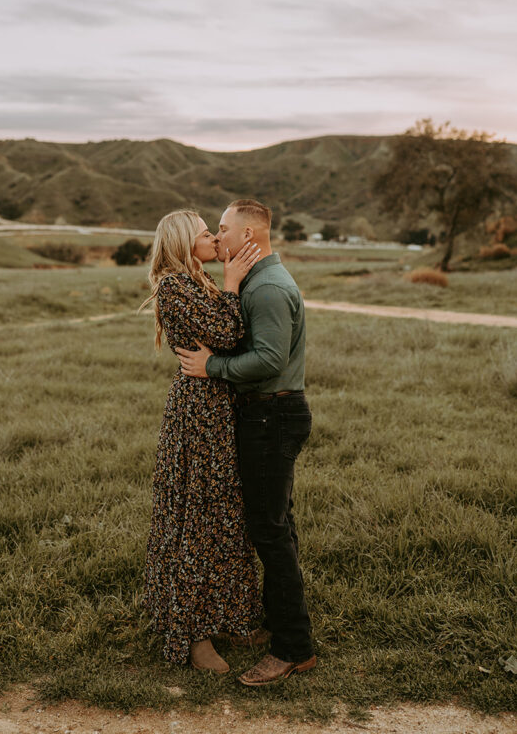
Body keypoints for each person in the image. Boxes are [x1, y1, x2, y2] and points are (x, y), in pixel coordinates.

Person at [176, 198, 316, 687]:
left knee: (269, 533)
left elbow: (270, 359)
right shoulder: (254, 282)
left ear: (248, 237)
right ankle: (281, 626)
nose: (219, 237)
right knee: (277, 526)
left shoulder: (269, 288)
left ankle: (292, 648)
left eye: (224, 229)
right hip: (266, 415)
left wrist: (211, 367)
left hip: (271, 416)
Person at [143, 209, 262, 673]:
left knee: (225, 515)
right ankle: (193, 634)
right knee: (197, 518)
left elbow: (229, 339)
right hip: (197, 414)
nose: (213, 237)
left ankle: (232, 615)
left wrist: (225, 286)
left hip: (217, 408)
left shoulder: (199, 280)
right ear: (182, 243)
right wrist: (232, 285)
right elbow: (228, 333)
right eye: (205, 233)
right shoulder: (174, 287)